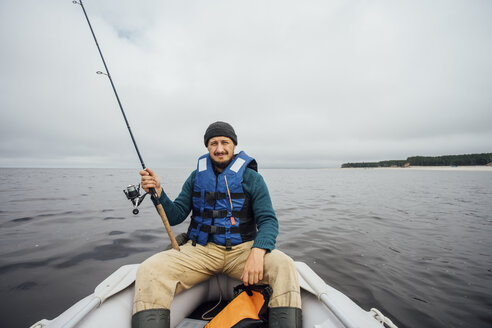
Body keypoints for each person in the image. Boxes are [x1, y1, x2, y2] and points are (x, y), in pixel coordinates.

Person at [132, 121, 302, 328]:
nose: (219, 148)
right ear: (207, 147)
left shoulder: (253, 178)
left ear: (234, 145)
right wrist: (158, 192)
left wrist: (258, 251)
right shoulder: (196, 177)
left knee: (284, 265)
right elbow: (175, 216)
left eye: (225, 142)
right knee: (149, 269)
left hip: (242, 252)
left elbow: (268, 221)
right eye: (213, 143)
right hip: (200, 251)